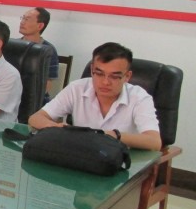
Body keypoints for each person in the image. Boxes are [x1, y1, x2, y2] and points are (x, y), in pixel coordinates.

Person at [28, 42, 161, 150]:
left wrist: (112, 135)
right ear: (92, 70)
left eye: (114, 76)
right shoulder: (77, 88)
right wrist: (56, 128)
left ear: (127, 76)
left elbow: (154, 141)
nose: (105, 82)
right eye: (99, 74)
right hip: (81, 155)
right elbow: (35, 118)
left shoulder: (139, 98)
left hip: (121, 160)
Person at [19, 7, 59, 103]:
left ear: (40, 26)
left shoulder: (48, 50)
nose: (22, 22)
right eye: (22, 18)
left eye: (27, 19)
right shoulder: (12, 45)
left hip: (34, 100)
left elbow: (46, 86)